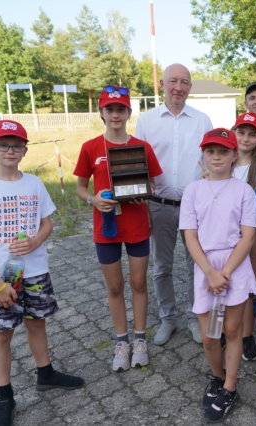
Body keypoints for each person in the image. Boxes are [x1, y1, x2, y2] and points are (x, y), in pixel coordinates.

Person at [0, 120, 84, 426]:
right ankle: (5, 396)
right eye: (3, 144)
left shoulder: (34, 183)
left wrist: (35, 241)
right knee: (2, 334)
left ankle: (45, 374)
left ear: (25, 150)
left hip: (35, 272)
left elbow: (48, 223)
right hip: (2, 278)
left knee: (37, 322)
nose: (10, 150)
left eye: (16, 145)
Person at [74, 86, 163, 372]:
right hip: (106, 228)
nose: (115, 114)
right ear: (101, 112)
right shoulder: (90, 147)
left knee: (138, 283)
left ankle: (140, 339)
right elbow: (79, 187)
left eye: (121, 109)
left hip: (136, 226)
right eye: (110, 109)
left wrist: (144, 192)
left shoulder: (141, 147)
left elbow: (152, 183)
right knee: (114, 287)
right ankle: (121, 341)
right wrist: (93, 199)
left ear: (128, 113)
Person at [179, 128, 256, 422]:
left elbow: (247, 237)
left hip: (234, 266)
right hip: (205, 266)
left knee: (232, 331)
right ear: (203, 155)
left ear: (234, 156)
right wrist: (210, 273)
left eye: (223, 151)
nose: (216, 156)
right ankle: (217, 375)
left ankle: (230, 386)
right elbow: (190, 237)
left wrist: (224, 273)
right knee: (210, 336)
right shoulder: (193, 190)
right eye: (211, 151)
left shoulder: (244, 191)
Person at [135, 63, 213, 345]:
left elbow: (211, 160)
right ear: (162, 84)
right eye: (173, 81)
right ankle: (168, 318)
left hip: (195, 207)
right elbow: (138, 162)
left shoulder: (203, 120)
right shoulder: (146, 120)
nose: (178, 87)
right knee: (162, 267)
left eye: (184, 82)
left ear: (190, 87)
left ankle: (195, 317)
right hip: (160, 205)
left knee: (197, 265)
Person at [231, 112, 256, 362]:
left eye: (251, 134)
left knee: (247, 290)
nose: (245, 138)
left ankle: (247, 336)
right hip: (223, 239)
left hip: (250, 239)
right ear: (233, 132)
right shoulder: (224, 161)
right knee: (226, 287)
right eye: (241, 132)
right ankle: (229, 331)